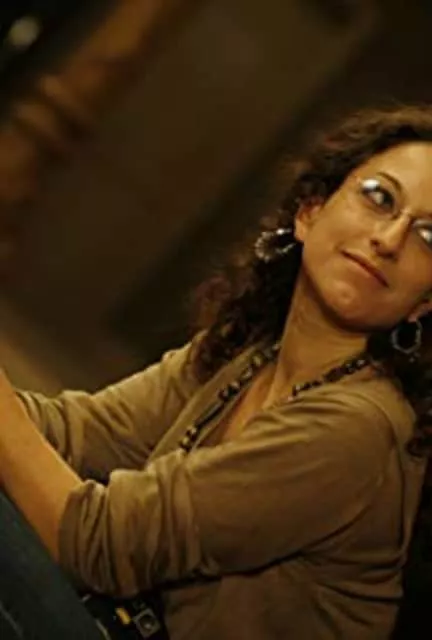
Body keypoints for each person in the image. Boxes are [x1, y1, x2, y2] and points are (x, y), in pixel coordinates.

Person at [0, 104, 432, 640]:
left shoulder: (359, 428)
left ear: (424, 303)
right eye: (379, 198)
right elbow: (74, 433)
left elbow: (99, 544)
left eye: (427, 237)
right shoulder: (253, 352)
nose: (389, 239)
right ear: (310, 211)